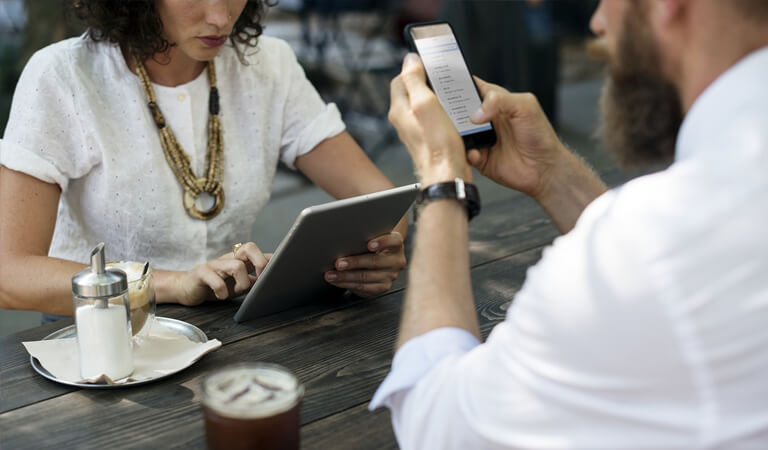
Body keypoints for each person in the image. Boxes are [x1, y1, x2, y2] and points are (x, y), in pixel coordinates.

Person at [371, 0, 768, 447]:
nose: (597, 21)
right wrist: (552, 173)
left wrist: (442, 177)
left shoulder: (663, 242)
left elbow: (438, 425)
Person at [0, 0, 407, 320]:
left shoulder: (268, 64)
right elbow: (10, 276)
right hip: (99, 337)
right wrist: (173, 284)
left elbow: (383, 204)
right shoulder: (64, 76)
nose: (221, 16)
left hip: (230, 329)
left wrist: (375, 254)